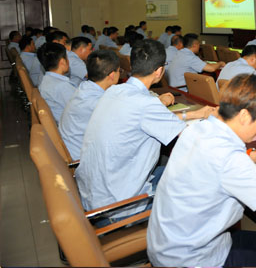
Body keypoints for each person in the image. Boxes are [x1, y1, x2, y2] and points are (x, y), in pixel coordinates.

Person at [147, 74, 256, 267]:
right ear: (244, 116)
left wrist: (253, 155)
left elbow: (219, 157)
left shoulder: (198, 128)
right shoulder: (229, 158)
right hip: (190, 259)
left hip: (170, 242)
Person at [75, 40, 215, 225]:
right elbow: (192, 138)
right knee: (201, 182)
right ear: (159, 71)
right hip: (119, 207)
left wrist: (193, 114)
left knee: (176, 169)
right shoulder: (146, 104)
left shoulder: (114, 91)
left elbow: (154, 118)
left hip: (95, 195)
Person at [59, 50, 120, 160]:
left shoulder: (84, 88)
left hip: (72, 147)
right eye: (119, 70)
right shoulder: (98, 102)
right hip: (82, 158)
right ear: (112, 75)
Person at [37, 43, 77, 123]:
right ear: (63, 62)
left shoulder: (46, 79)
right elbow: (80, 109)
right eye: (67, 58)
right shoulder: (62, 86)